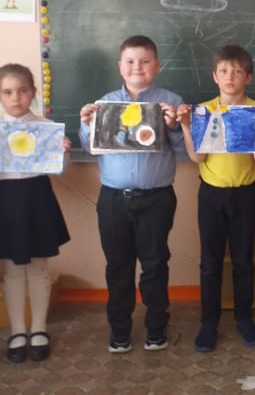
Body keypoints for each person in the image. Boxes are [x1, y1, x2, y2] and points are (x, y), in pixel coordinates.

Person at [79, 35, 185, 354]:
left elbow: (184, 151)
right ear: (120, 67)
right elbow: (91, 148)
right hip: (113, 199)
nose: (137, 67)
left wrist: (175, 127)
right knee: (118, 266)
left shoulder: (171, 101)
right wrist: (86, 125)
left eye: (145, 61)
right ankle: (119, 331)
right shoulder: (105, 104)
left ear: (157, 66)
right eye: (130, 61)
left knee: (155, 264)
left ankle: (156, 328)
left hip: (157, 198)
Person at [176, 44, 255, 353]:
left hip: (245, 193)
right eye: (223, 71)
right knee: (210, 263)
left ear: (248, 77)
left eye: (237, 71)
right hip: (211, 195)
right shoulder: (204, 110)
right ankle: (209, 323)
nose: (230, 77)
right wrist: (185, 125)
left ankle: (244, 318)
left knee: (244, 261)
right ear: (214, 77)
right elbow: (197, 157)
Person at [0, 64, 71, 363]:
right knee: (13, 269)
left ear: (32, 93)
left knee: (39, 266)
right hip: (4, 201)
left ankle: (39, 328)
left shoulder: (46, 127)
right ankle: (18, 330)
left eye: (22, 91)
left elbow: (58, 169)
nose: (15, 98)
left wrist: (63, 152)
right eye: (8, 92)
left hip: (37, 198)